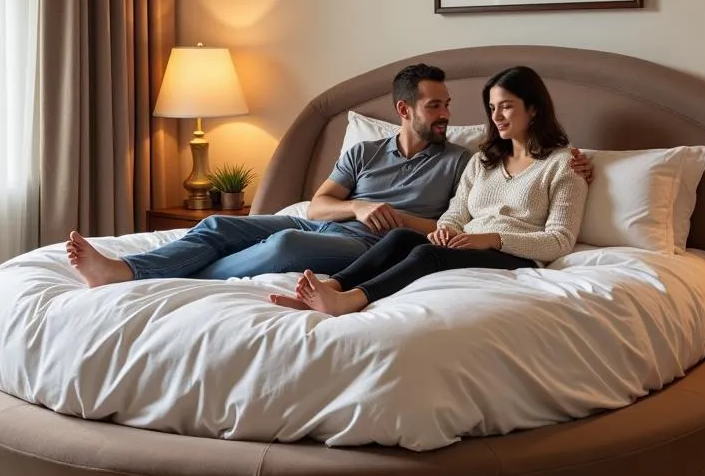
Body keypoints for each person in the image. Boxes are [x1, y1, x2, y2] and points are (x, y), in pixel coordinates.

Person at [67, 63, 592, 287]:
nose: (446, 116)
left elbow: (522, 170)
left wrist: (574, 160)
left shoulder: (462, 156)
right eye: (435, 106)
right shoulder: (365, 150)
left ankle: (146, 277)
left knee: (284, 246)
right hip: (332, 224)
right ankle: (130, 271)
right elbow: (318, 205)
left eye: (448, 105)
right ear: (404, 110)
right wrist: (359, 206)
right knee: (217, 228)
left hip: (372, 245)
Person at [269, 66, 588, 316]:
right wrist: (446, 231)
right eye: (492, 108)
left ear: (533, 109)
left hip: (516, 257)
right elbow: (456, 212)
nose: (496, 117)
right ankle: (334, 285)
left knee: (426, 254)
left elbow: (559, 242)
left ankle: (352, 299)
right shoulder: (483, 160)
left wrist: (491, 239)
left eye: (506, 106)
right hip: (468, 245)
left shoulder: (564, 165)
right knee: (399, 238)